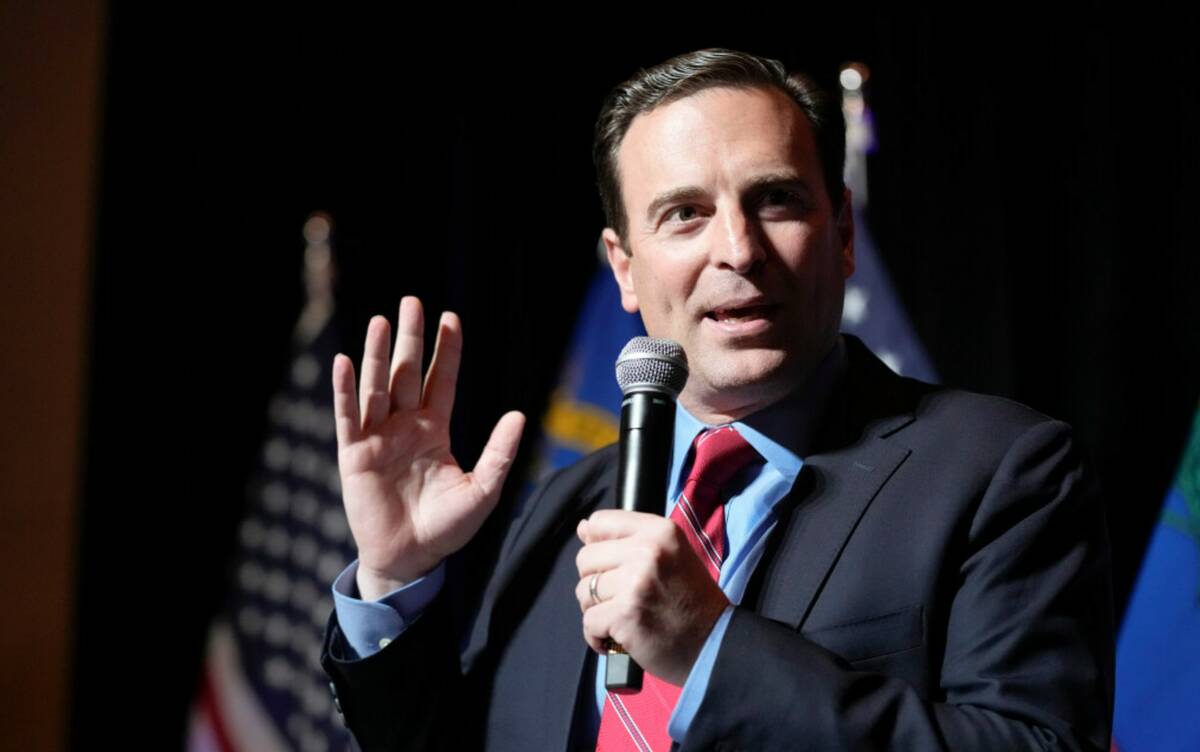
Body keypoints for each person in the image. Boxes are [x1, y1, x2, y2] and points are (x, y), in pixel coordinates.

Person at [320, 49, 1114, 751]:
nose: (738, 250)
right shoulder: (568, 503)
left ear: (841, 233)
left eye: (775, 200)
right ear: (624, 267)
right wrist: (394, 577)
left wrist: (710, 648)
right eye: (685, 214)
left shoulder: (1003, 471)